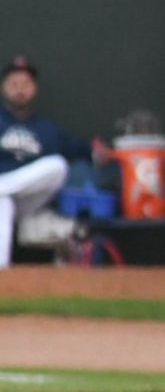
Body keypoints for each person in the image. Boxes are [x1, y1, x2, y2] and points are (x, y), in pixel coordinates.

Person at [0, 56, 107, 268]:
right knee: (3, 201)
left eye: (25, 84)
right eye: (14, 84)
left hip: (30, 200)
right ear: (4, 87)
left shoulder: (47, 128)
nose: (20, 89)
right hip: (5, 196)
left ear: (34, 89)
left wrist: (95, 151)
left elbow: (77, 148)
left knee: (58, 165)